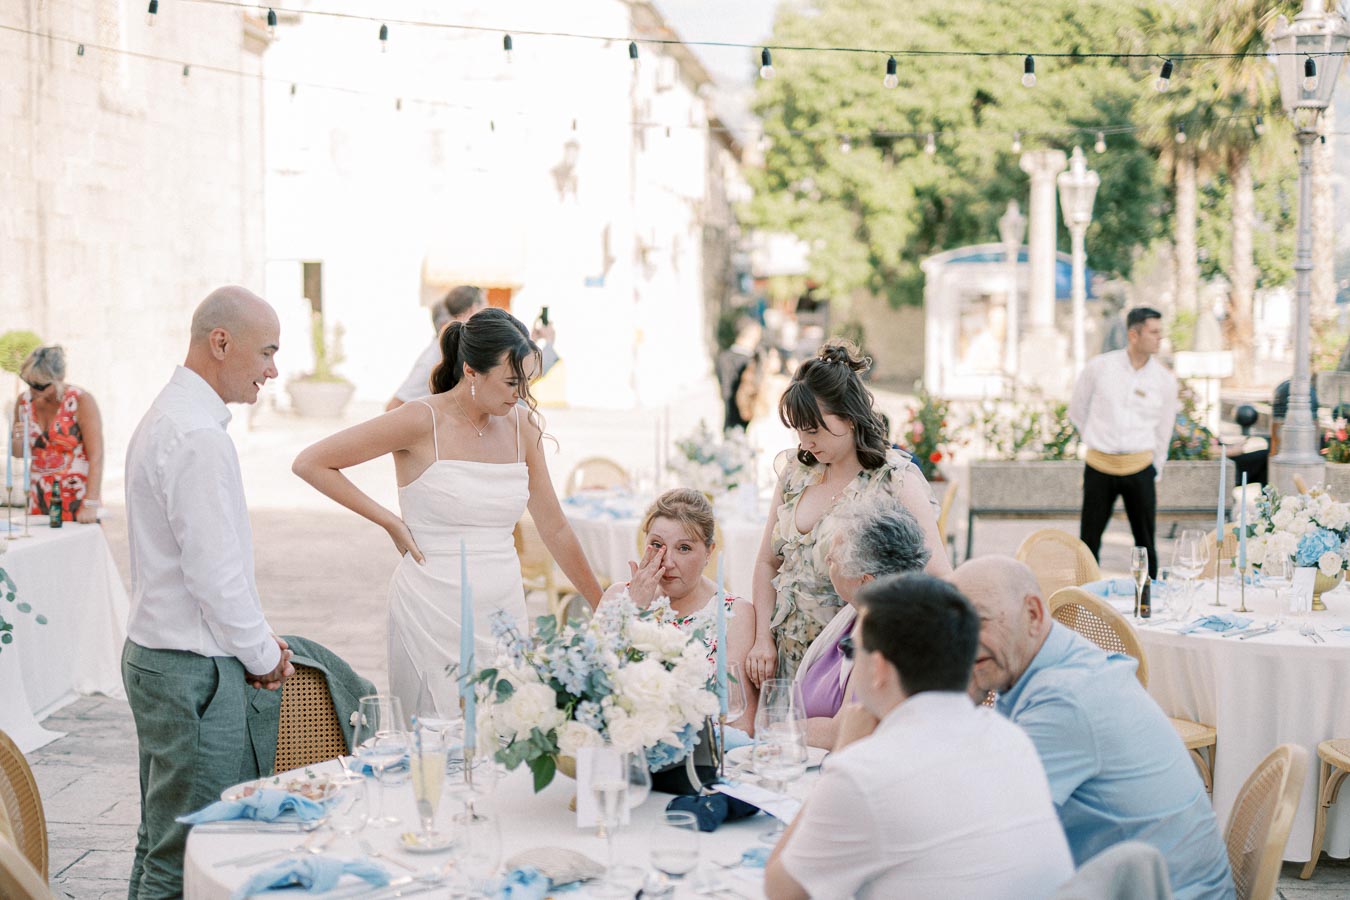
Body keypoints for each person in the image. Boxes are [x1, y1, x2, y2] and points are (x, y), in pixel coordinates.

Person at [293, 307, 602, 718]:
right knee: (432, 747)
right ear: (472, 371)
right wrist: (389, 521)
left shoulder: (522, 425)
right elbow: (311, 462)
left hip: (504, 610)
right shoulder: (419, 419)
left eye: (525, 380)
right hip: (429, 608)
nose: (521, 392)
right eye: (512, 381)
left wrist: (601, 603)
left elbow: (555, 527)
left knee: (508, 736)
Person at [122, 286, 297, 899]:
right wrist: (264, 655)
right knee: (190, 851)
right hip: (191, 670)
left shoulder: (170, 416)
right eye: (268, 352)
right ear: (221, 343)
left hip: (158, 655)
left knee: (159, 840)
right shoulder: (196, 434)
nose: (274, 370)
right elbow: (215, 577)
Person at [764, 574, 1073, 900]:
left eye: (853, 650)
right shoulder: (1011, 739)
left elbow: (782, 890)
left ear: (879, 668)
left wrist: (841, 755)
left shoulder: (862, 772)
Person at [953, 556, 1234, 900]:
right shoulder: (1054, 662)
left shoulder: (1064, 700)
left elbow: (977, 828)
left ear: (1033, 614)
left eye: (978, 622)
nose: (963, 643)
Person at [747, 340, 950, 688]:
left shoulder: (893, 479)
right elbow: (767, 562)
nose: (804, 441)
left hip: (851, 664)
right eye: (797, 429)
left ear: (850, 417)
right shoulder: (795, 472)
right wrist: (762, 638)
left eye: (813, 429)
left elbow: (939, 577)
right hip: (784, 659)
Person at [598, 488, 757, 732]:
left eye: (684, 548)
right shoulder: (617, 597)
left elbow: (740, 724)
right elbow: (594, 689)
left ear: (708, 552)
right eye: (657, 545)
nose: (668, 562)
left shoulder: (735, 614)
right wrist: (633, 610)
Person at [795, 495, 930, 749]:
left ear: (864, 580)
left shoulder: (887, 638)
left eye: (833, 559)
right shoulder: (856, 615)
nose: (827, 561)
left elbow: (843, 732)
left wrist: (771, 728)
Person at [1069, 306, 1178, 578]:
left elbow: (1164, 429)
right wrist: (1096, 439)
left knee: (1145, 544)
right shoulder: (1099, 368)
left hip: (1140, 467)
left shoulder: (1164, 380)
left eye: (1159, 332)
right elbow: (1077, 410)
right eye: (1153, 332)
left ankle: (1149, 604)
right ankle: (1082, 602)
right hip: (1099, 466)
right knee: (1088, 543)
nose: (1159, 338)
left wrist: (1156, 468)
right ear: (1134, 334)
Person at [10, 345, 104, 522]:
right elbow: (18, 454)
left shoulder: (80, 401)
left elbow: (96, 456)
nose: (33, 390)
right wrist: (17, 439)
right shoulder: (24, 402)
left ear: (57, 380)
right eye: (29, 383)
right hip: (39, 496)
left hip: (76, 495)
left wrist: (91, 504)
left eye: (39, 385)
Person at [385, 285, 487, 411]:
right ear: (472, 309)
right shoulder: (434, 356)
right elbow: (393, 407)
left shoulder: (463, 350)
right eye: (484, 306)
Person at [716, 315, 763, 432]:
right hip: (749, 420)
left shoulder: (722, 358)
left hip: (728, 420)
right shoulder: (753, 361)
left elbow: (724, 392)